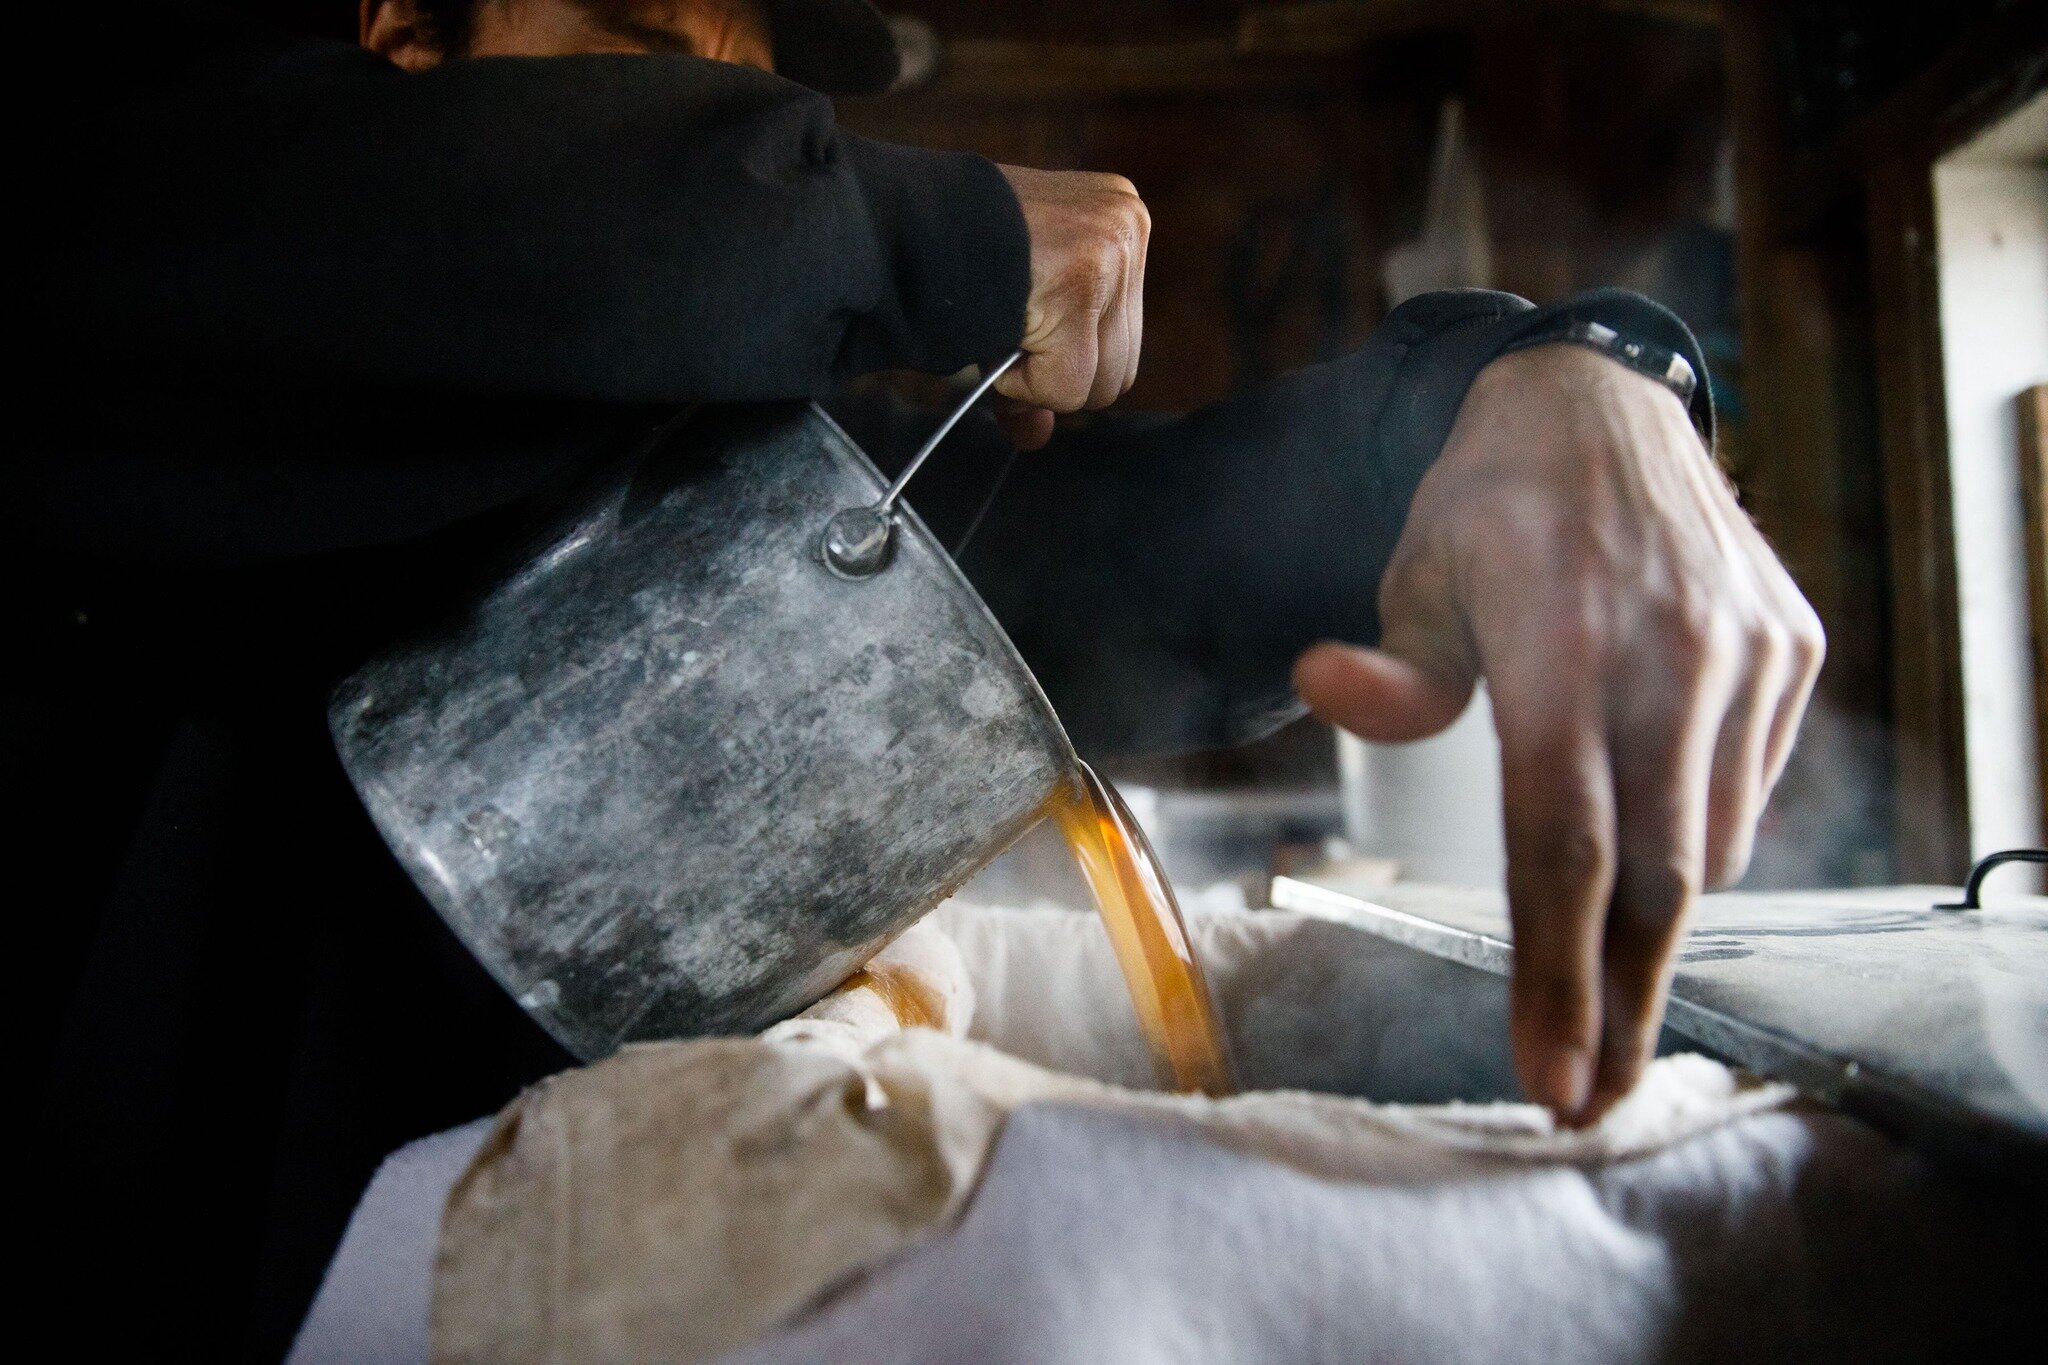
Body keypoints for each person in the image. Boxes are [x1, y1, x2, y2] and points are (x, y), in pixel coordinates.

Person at [15, 0, 1822, 1353]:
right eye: (648, 57)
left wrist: (1568, 383)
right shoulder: (141, 261)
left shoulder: (735, 505)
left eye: (752, 97)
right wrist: (919, 237)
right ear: (404, 43)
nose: (719, 115)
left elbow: (1196, 546)